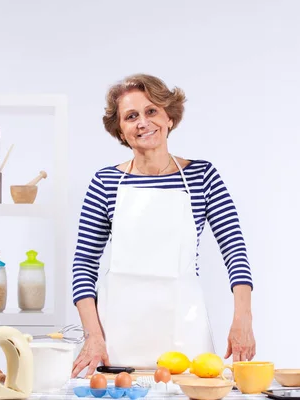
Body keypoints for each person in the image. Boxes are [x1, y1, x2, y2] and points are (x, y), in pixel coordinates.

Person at [71, 73, 255, 378]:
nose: (143, 122)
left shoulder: (203, 177)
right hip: (117, 334)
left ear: (169, 117)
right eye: (131, 116)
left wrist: (243, 320)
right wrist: (93, 337)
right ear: (120, 129)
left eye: (151, 111)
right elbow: (83, 265)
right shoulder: (105, 182)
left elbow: (234, 251)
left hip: (185, 330)